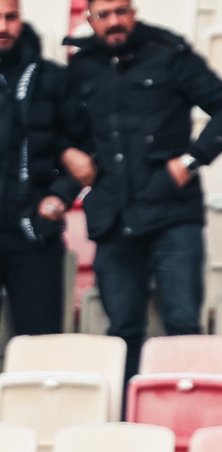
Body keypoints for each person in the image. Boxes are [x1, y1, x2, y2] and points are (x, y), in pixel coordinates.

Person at [63, 0, 222, 385]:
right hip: (113, 217)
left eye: (121, 11)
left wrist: (191, 160)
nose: (114, 21)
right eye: (104, 15)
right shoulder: (81, 67)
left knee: (182, 323)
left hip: (172, 212)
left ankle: (188, 408)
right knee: (123, 329)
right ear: (89, 20)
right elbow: (54, 126)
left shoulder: (169, 53)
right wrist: (68, 152)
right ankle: (128, 414)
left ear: (134, 12)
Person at [0, 3, 81, 335]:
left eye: (9, 17)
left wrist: (60, 196)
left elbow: (87, 148)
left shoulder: (53, 78)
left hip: (33, 234)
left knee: (39, 346)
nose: (2, 27)